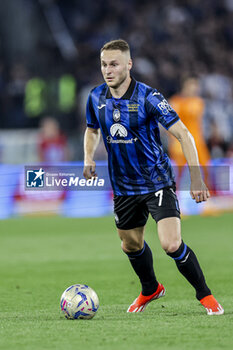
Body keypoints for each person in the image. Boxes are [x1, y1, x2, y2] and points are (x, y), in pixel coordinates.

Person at [83, 39, 224, 315]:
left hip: (156, 181)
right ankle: (150, 289)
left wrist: (196, 179)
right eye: (104, 65)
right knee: (130, 244)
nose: (108, 70)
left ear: (129, 65)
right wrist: (88, 157)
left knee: (171, 244)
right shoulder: (95, 97)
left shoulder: (149, 97)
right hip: (123, 187)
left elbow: (183, 134)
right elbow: (92, 129)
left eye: (114, 64)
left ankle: (205, 296)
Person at [168, 78, 210, 187]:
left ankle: (205, 193)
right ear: (184, 87)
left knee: (205, 167)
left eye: (195, 86)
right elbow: (170, 123)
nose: (194, 89)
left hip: (198, 141)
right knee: (179, 170)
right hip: (180, 141)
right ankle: (175, 193)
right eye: (191, 86)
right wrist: (174, 141)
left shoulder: (198, 102)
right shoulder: (176, 101)